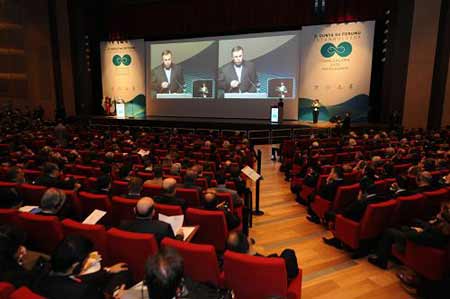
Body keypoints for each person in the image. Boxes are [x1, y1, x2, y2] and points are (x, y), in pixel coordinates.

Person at [36, 235, 131, 299]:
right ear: (75, 265)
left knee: (121, 270)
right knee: (124, 274)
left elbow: (75, 279)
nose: (87, 261)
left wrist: (108, 270)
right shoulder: (85, 291)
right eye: (86, 259)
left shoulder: (41, 271)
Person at [368, 200, 450, 269]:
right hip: (423, 239)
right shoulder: (443, 228)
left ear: (443, 217)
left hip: (417, 247)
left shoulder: (437, 233)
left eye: (440, 212)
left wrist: (415, 230)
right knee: (406, 224)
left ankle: (381, 261)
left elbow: (412, 236)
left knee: (389, 231)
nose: (438, 213)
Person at [226, 232, 299, 282]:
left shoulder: (230, 264)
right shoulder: (270, 264)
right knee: (288, 252)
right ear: (248, 242)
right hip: (272, 287)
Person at [119, 197, 183, 243]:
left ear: (134, 210)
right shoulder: (164, 228)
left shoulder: (123, 225)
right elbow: (172, 246)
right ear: (153, 212)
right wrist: (179, 236)